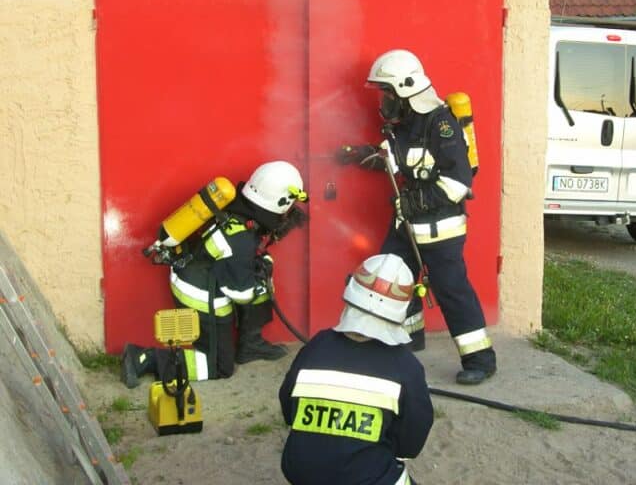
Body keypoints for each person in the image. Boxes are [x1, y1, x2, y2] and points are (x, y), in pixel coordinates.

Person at [338, 49, 496, 385]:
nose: (385, 101)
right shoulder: (404, 124)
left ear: (405, 90)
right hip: (406, 225)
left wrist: (416, 203)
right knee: (391, 278)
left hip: (440, 229)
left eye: (388, 94)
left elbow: (458, 182)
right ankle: (410, 339)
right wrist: (363, 156)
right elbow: (402, 163)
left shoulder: (440, 124)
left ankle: (480, 359)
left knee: (452, 290)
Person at [121, 160, 308, 388]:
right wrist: (263, 278)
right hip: (199, 294)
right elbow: (242, 293)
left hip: (202, 272)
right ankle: (143, 358)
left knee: (261, 272)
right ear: (281, 201)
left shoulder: (237, 205)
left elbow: (246, 245)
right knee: (219, 366)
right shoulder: (240, 241)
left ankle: (250, 344)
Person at [279, 253, 434, 485]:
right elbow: (414, 432)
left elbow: (288, 405)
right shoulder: (406, 366)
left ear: (351, 290)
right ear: (404, 307)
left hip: (299, 471)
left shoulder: (316, 346)